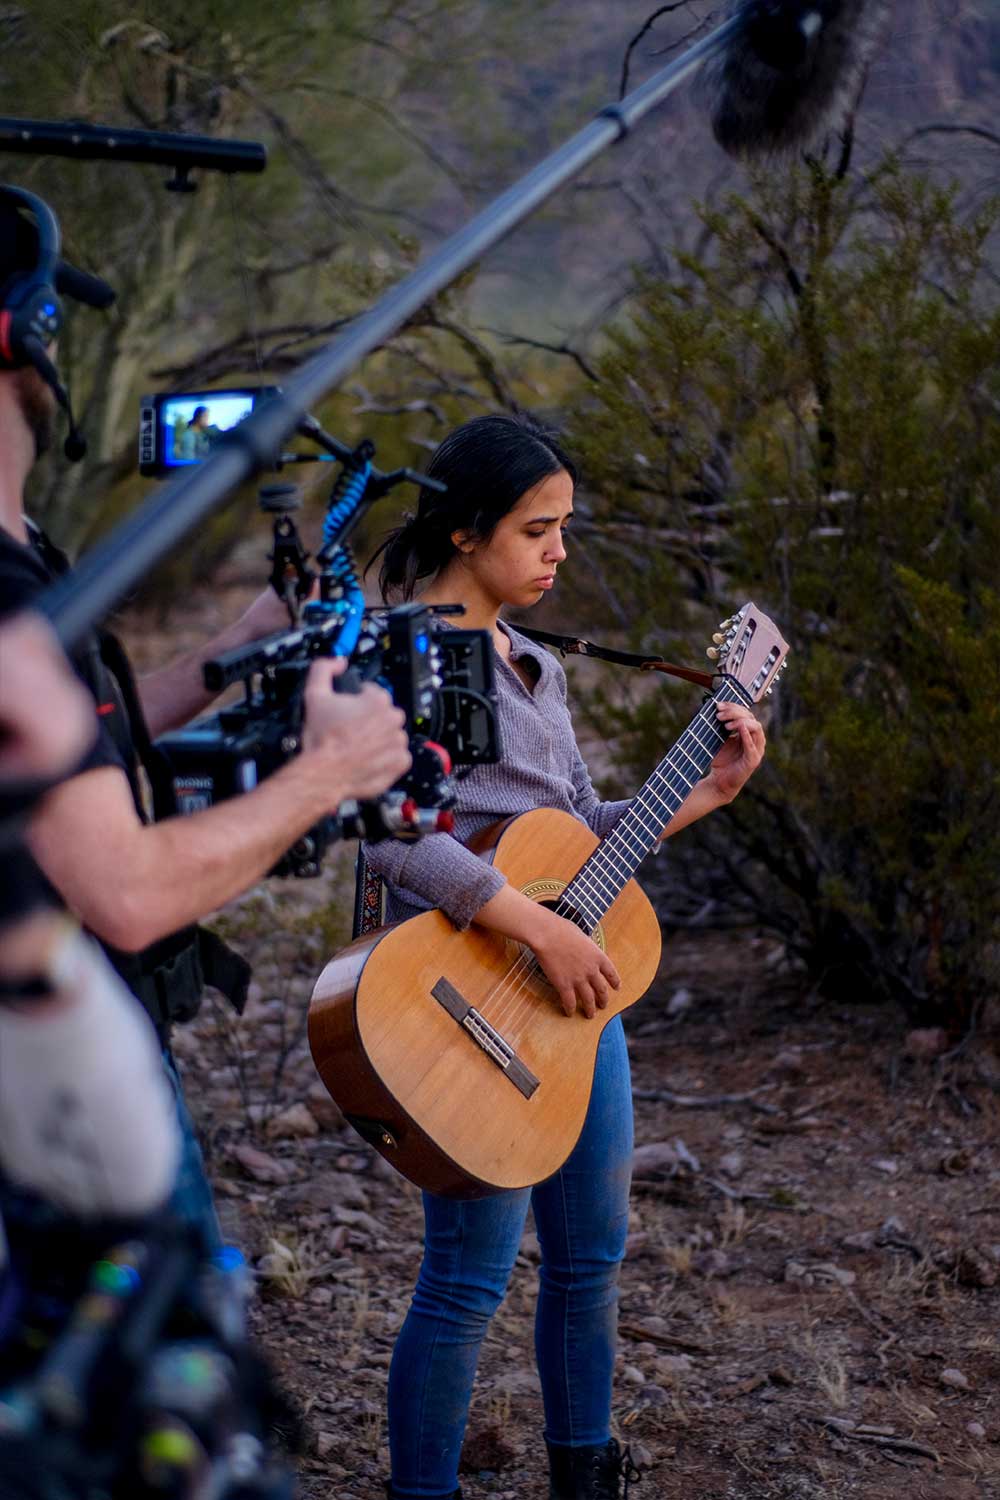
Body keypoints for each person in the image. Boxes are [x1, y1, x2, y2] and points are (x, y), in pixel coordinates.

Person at [362, 413, 766, 1500]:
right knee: (466, 1280)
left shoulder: (538, 665)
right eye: (537, 529)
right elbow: (386, 831)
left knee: (590, 1261)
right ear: (462, 532)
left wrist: (705, 791)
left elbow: (581, 834)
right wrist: (531, 923)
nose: (557, 552)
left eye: (565, 529)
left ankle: (584, 1475)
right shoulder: (402, 658)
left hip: (573, 1004)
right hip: (463, 1003)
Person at [0, 185, 412, 1248]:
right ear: (26, 344)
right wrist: (326, 772)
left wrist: (238, 647)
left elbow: (86, 738)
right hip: (53, 1088)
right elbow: (126, 896)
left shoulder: (30, 561)